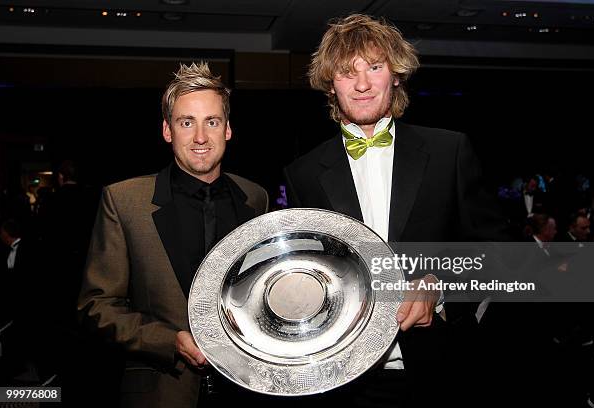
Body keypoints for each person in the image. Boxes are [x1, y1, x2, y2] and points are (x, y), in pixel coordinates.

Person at [284, 14, 505, 407]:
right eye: (346, 72)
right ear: (330, 86)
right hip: (342, 379)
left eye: (374, 67)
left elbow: (499, 256)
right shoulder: (303, 173)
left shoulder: (448, 152)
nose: (363, 84)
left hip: (440, 370)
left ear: (397, 75)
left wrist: (438, 285)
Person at [78, 62, 268, 408]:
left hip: (246, 390)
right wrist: (168, 341)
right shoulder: (124, 201)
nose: (200, 137)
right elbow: (97, 305)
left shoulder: (255, 198)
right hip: (161, 392)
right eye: (186, 123)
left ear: (227, 129)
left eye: (212, 121)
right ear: (167, 131)